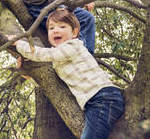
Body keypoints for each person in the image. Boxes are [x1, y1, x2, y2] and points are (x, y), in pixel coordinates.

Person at [7, 9, 125, 139]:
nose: (56, 30)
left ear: (74, 33)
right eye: (51, 28)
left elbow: (45, 54)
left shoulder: (73, 45)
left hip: (103, 98)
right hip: (95, 102)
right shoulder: (60, 60)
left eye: (62, 26)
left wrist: (19, 43)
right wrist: (27, 74)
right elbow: (50, 81)